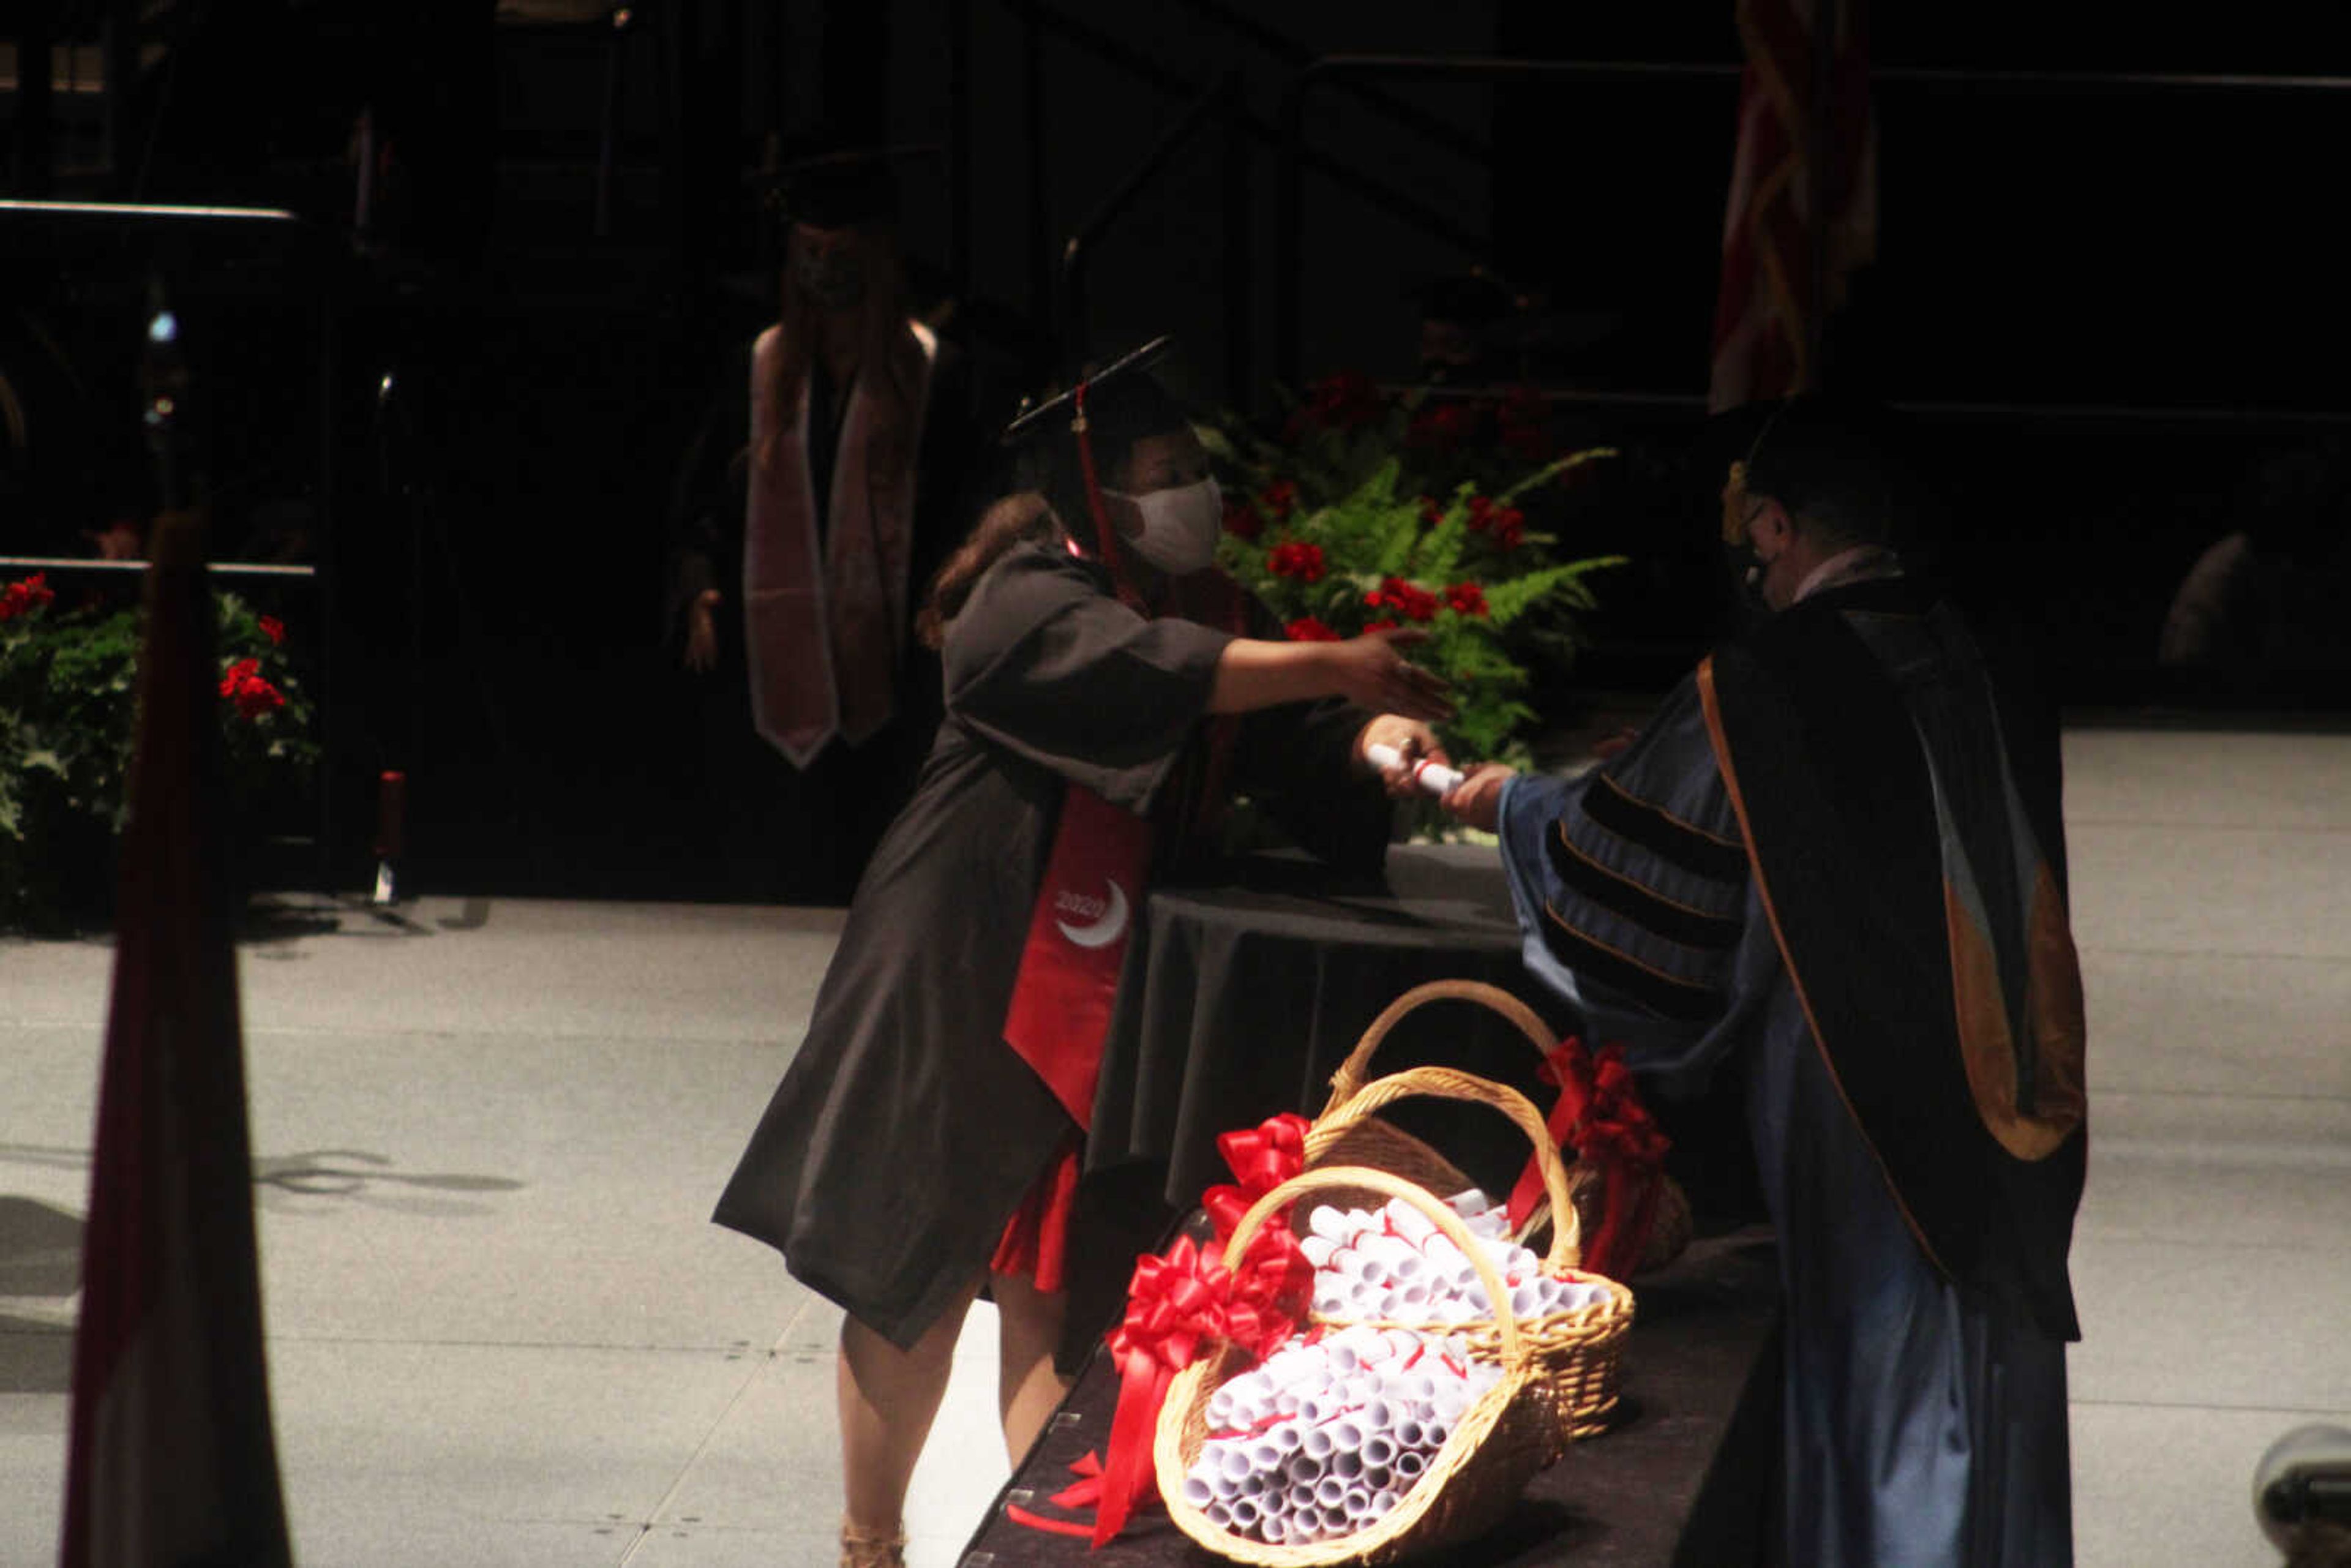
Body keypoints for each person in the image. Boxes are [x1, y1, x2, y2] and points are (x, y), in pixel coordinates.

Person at [711, 340, 1456, 1568]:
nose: (1193, 491)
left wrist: (1371, 727)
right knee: (918, 1266)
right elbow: (1156, 675)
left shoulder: (1211, 604)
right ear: (1096, 489)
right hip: (961, 963)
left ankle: (1061, 1546)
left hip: (1108, 992)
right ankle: (870, 1541)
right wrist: (1328, 659)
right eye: (1165, 470)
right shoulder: (1016, 594)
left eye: (1196, 465)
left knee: (1070, 1279)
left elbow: (1295, 729)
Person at [1444, 397, 2088, 1567]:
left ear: (1780, 529)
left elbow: (1625, 849)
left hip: (1855, 1080)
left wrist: (1502, 800)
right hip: (2016, 1060)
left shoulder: (1768, 681)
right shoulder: (1984, 647)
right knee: (1985, 1359)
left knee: (1882, 1370)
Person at [665, 145, 982, 902]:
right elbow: (702, 502)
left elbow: (967, 509)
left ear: (876, 260)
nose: (822, 271)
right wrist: (699, 587)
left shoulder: (934, 373)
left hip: (895, 672)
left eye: (840, 254)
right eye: (808, 253)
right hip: (769, 672)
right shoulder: (759, 367)